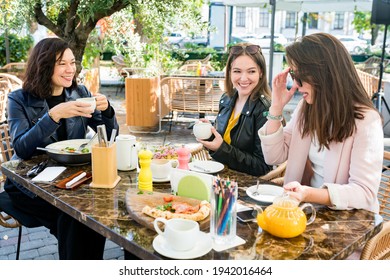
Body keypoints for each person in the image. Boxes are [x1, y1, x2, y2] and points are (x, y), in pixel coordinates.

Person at [4, 37, 120, 259]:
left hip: (71, 179)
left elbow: (109, 138)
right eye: (62, 63)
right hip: (30, 184)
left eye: (73, 62)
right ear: (44, 64)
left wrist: (107, 112)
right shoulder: (19, 99)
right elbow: (22, 148)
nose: (70, 70)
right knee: (74, 216)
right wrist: (53, 115)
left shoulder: (81, 93)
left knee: (92, 211)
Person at [258, 33, 383, 213]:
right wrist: (276, 107)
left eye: (298, 75)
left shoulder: (366, 120)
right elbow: (274, 156)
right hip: (308, 211)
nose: (296, 84)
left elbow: (363, 192)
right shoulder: (306, 109)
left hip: (348, 220)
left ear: (323, 74)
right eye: (293, 75)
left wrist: (309, 194)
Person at [197, 42, 272, 176]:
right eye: (237, 71)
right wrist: (209, 133)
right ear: (230, 72)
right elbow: (222, 141)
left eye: (251, 71)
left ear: (261, 72)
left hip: (245, 186)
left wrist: (221, 148)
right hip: (218, 175)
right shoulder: (226, 98)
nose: (243, 78)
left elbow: (263, 167)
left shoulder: (265, 110)